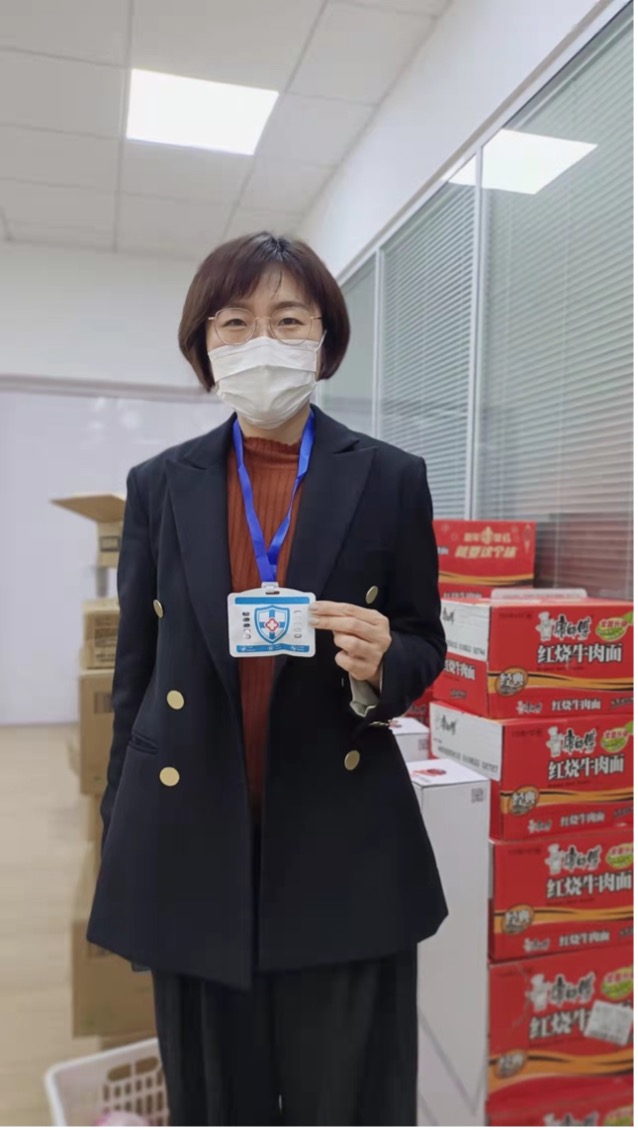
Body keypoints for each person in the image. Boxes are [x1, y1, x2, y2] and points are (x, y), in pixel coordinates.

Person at [87, 232, 448, 1126]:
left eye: (288, 320)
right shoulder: (160, 484)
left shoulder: (390, 479)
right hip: (194, 837)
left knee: (347, 1100)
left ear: (324, 342)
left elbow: (421, 639)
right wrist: (121, 831)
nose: (261, 342)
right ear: (204, 346)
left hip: (342, 842)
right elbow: (138, 673)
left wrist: (383, 666)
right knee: (219, 1101)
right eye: (234, 322)